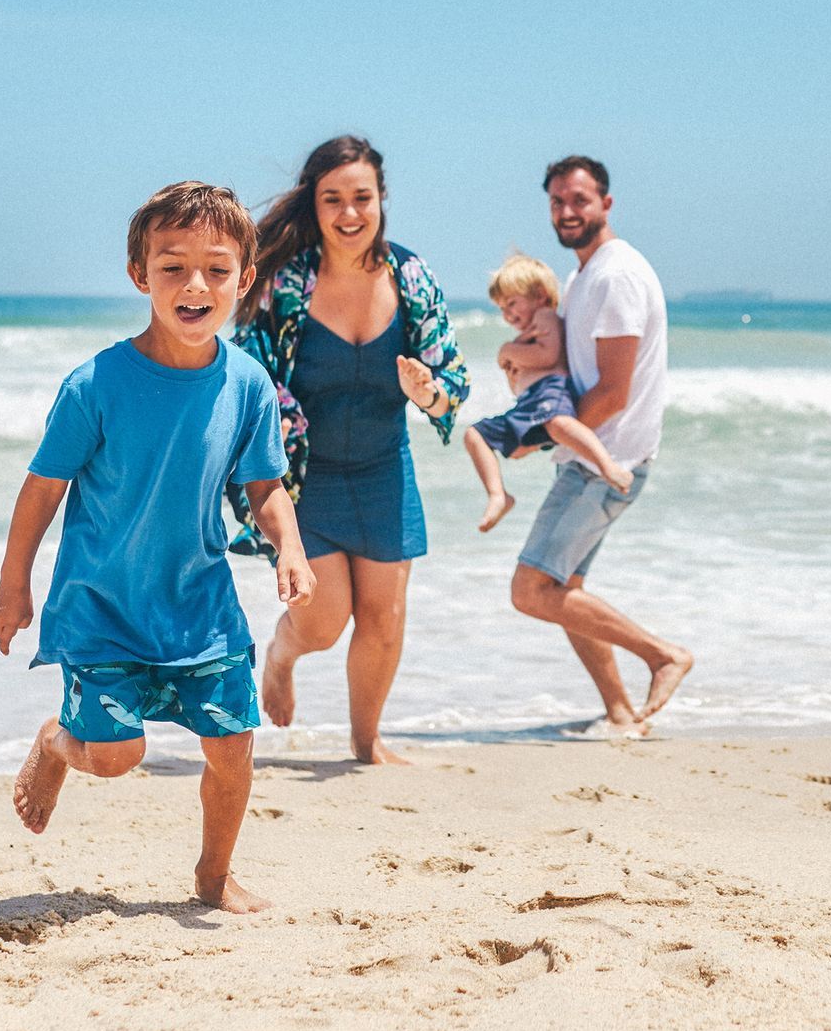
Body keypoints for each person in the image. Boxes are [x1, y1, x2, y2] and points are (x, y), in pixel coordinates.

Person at [0, 182, 315, 915]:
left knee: (233, 748)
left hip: (200, 605)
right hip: (102, 608)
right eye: (173, 267)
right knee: (115, 757)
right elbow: (42, 490)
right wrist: (14, 586)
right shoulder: (95, 384)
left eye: (217, 269)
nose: (196, 285)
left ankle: (213, 876)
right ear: (141, 276)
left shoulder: (249, 384)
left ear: (244, 280)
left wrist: (288, 545)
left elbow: (266, 487)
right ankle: (57, 741)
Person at [229, 136, 469, 765]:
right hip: (308, 480)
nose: (349, 214)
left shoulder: (411, 278)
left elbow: (451, 384)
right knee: (324, 620)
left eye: (361, 198)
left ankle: (366, 744)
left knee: (384, 621)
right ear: (314, 203)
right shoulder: (285, 286)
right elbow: (246, 376)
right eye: (333, 199)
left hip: (386, 470)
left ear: (381, 199)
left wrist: (429, 394)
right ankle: (280, 658)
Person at [509, 156, 693, 730]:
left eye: (579, 200)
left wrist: (538, 437)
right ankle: (620, 712)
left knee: (532, 589)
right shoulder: (582, 276)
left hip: (607, 461)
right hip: (589, 457)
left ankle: (663, 656)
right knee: (565, 587)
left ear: (605, 205)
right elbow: (572, 368)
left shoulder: (616, 275)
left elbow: (614, 391)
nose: (567, 212)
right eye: (558, 202)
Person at [464, 251, 632, 532]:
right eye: (502, 309)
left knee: (559, 423)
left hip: (550, 392)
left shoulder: (545, 317)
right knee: (475, 435)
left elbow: (548, 354)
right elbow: (520, 385)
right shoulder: (530, 329)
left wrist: (508, 350)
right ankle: (498, 495)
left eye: (512, 303)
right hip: (530, 402)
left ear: (541, 296)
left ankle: (607, 466)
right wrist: (513, 368)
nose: (508, 314)